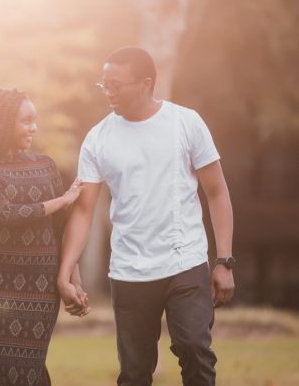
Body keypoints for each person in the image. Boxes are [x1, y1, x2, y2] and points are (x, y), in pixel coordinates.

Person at [57, 47, 235, 386]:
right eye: (104, 84)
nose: (108, 92)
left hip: (184, 261)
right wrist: (66, 271)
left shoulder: (186, 123)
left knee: (195, 350)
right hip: (129, 270)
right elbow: (83, 211)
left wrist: (224, 259)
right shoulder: (98, 138)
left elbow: (217, 191)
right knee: (135, 373)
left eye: (116, 84)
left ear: (146, 84)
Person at [0, 88, 87, 386]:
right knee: (0, 377)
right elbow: (8, 214)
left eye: (35, 120)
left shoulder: (45, 165)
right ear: (3, 124)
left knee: (31, 371)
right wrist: (64, 200)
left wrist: (72, 281)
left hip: (40, 290)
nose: (34, 127)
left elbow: (60, 231)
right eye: (26, 120)